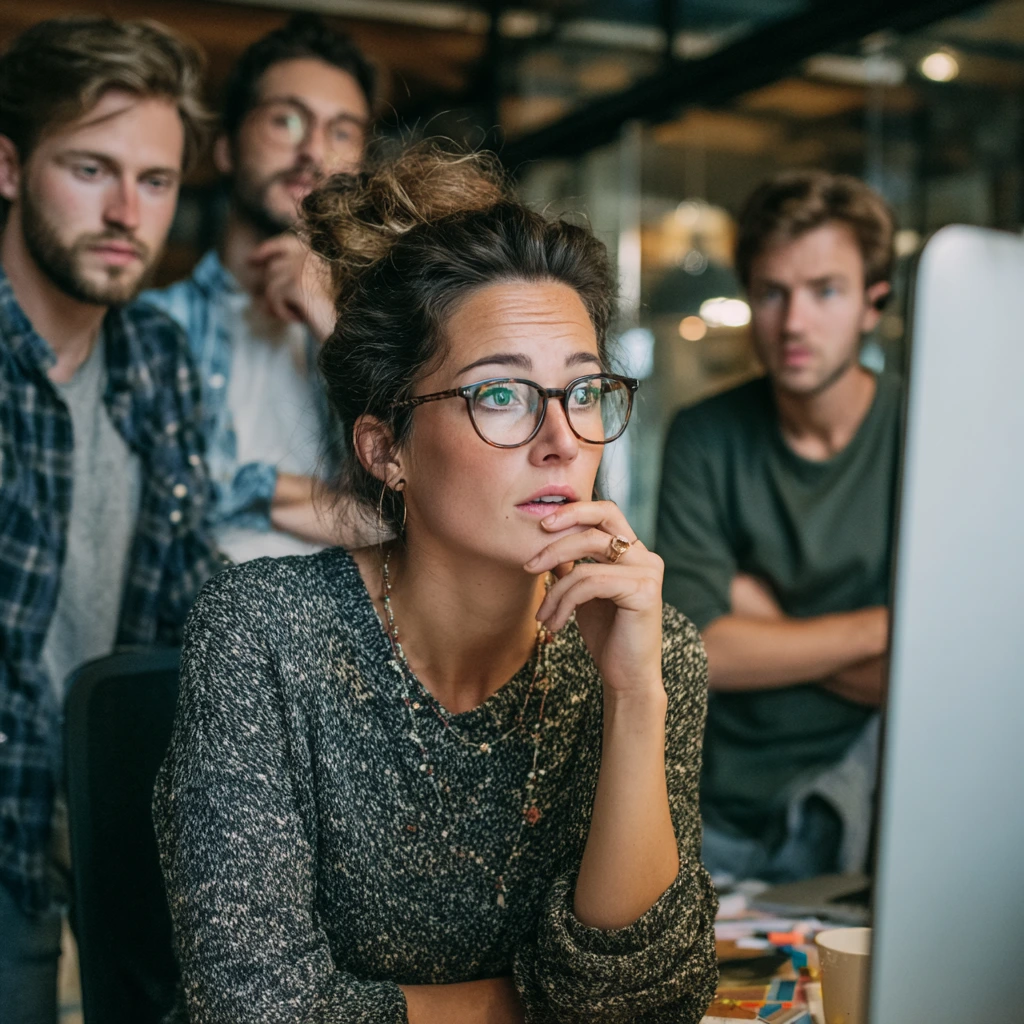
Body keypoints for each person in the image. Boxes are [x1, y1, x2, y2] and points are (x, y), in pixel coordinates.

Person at [154, 145, 719, 1024]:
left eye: (582, 392)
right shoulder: (262, 631)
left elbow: (646, 1007)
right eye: (501, 396)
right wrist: (533, 1006)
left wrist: (634, 696)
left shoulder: (648, 647)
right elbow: (256, 1009)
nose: (562, 440)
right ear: (386, 450)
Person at [0, 16, 222, 1022]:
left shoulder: (157, 359)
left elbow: (187, 596)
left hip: (121, 822)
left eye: (158, 180)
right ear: (9, 167)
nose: (129, 211)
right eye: (91, 168)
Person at [657, 170, 900, 884]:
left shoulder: (926, 431)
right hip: (712, 805)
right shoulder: (704, 435)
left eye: (825, 291)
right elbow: (699, 650)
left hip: (862, 803)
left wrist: (770, 620)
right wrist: (885, 625)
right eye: (772, 292)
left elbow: (943, 672)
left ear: (871, 305)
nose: (794, 323)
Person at [143, 14, 378, 562]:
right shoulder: (152, 326)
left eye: (341, 131)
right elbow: (161, 510)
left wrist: (331, 317)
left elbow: (419, 503)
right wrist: (296, 497)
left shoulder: (379, 330)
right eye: (287, 122)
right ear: (226, 148)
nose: (314, 152)